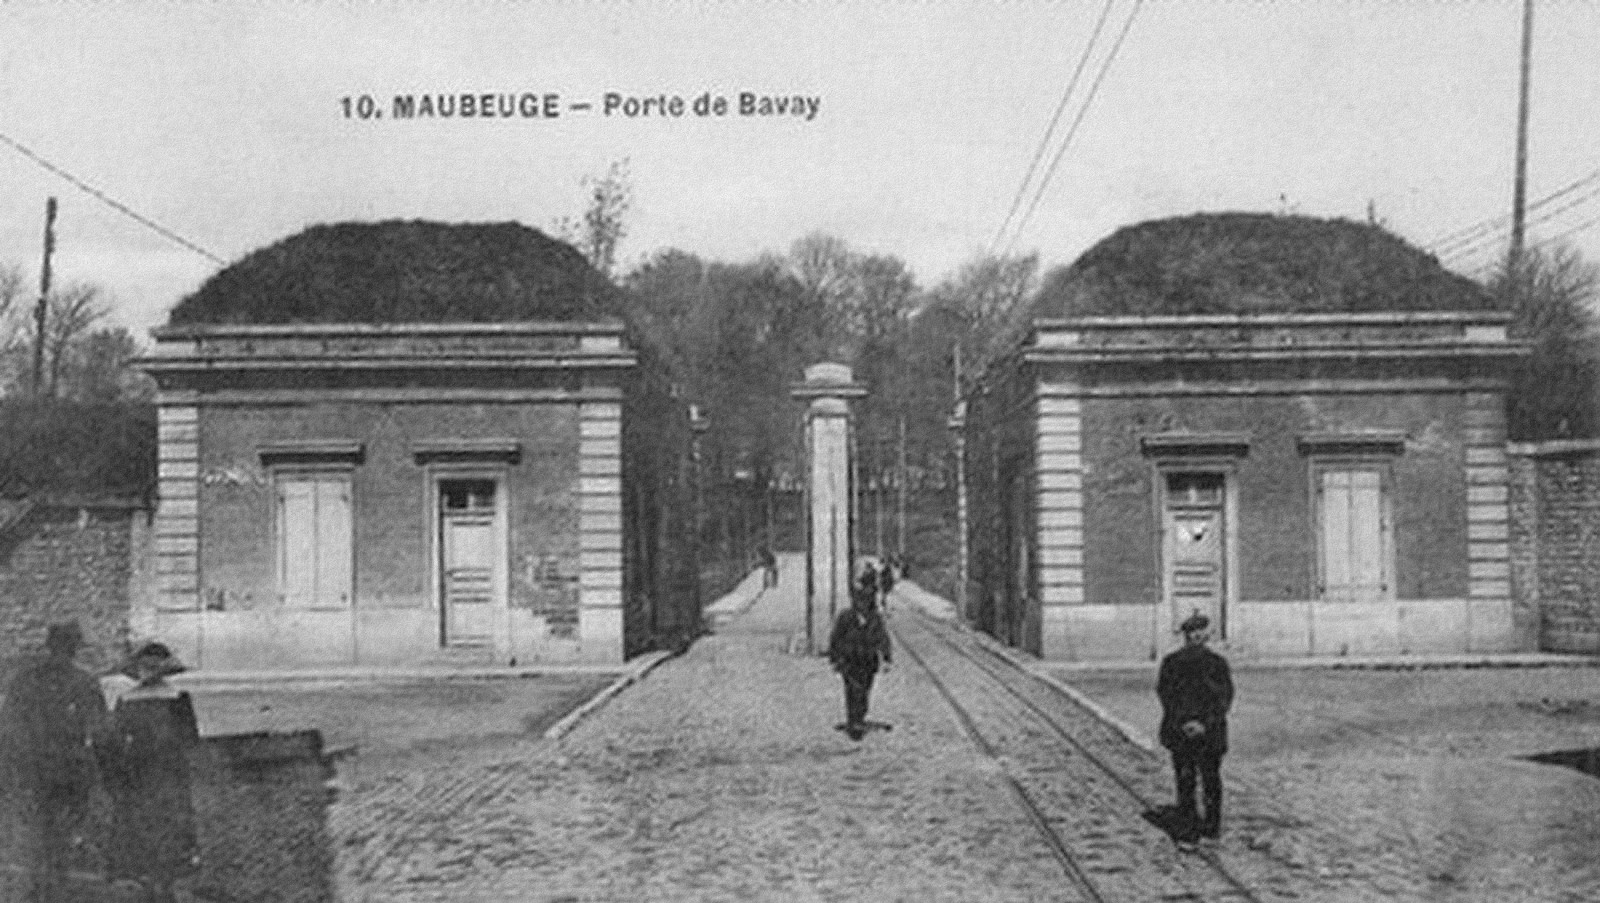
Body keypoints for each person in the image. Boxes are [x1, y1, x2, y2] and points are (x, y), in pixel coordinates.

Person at [0, 621, 108, 903]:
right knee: (63, 827)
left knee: (39, 826)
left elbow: (9, 727)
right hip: (68, 767)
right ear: (74, 649)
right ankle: (55, 885)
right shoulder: (84, 681)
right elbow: (98, 730)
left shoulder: (25, 679)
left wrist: (12, 766)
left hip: (34, 766)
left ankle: (41, 885)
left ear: (49, 646)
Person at [98, 642, 200, 903]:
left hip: (139, 773)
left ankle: (150, 884)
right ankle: (164, 884)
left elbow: (113, 743)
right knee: (169, 827)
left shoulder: (128, 701)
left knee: (143, 827)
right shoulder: (179, 699)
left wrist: (118, 775)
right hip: (169, 773)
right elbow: (190, 740)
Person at [1156, 612, 1234, 849]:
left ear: (1208, 634)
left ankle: (1211, 830)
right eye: (1192, 632)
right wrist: (1186, 722)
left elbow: (1224, 699)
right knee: (1186, 780)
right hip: (1184, 731)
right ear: (1185, 636)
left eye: (1201, 632)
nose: (1196, 636)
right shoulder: (1171, 663)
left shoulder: (1218, 664)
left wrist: (1203, 724)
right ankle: (1188, 832)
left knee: (1210, 779)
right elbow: (1166, 695)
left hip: (1207, 732)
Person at [827, 576, 892, 741]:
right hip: (849, 660)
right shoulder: (846, 617)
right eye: (860, 601)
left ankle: (859, 717)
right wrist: (835, 658)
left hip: (868, 661)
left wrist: (886, 657)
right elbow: (835, 638)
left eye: (867, 602)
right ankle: (854, 721)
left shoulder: (875, 619)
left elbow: (882, 638)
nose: (863, 605)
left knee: (865, 690)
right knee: (852, 689)